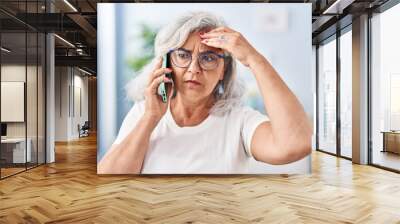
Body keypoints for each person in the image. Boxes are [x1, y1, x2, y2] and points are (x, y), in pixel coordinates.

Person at [98, 11, 312, 174]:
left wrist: (254, 59)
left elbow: (296, 145)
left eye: (208, 58)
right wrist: (151, 118)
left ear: (223, 71)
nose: (193, 69)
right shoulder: (144, 113)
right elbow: (109, 177)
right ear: (166, 64)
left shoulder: (239, 120)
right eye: (183, 55)